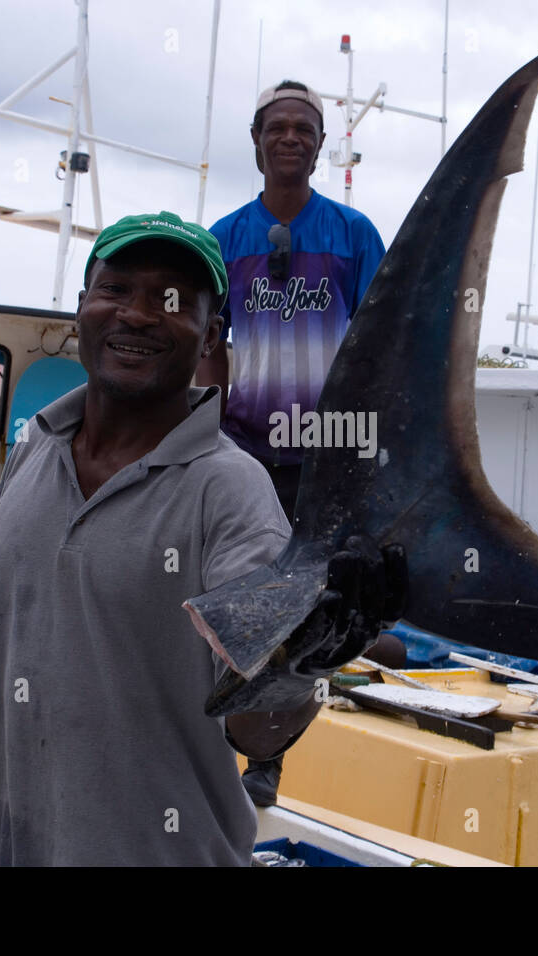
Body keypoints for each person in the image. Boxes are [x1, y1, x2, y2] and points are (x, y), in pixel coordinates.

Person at [0, 211, 402, 866]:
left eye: (171, 300)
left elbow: (255, 733)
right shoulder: (33, 449)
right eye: (116, 289)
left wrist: (317, 647)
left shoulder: (231, 494)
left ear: (210, 336)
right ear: (81, 311)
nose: (139, 314)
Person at [196, 81, 391, 807]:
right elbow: (206, 345)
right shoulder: (223, 239)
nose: (289, 137)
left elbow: (382, 345)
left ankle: (270, 754)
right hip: (242, 447)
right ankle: (224, 730)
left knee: (313, 601)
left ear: (319, 145)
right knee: (243, 595)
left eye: (303, 128)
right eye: (276, 126)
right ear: (256, 142)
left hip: (328, 453)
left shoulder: (353, 235)